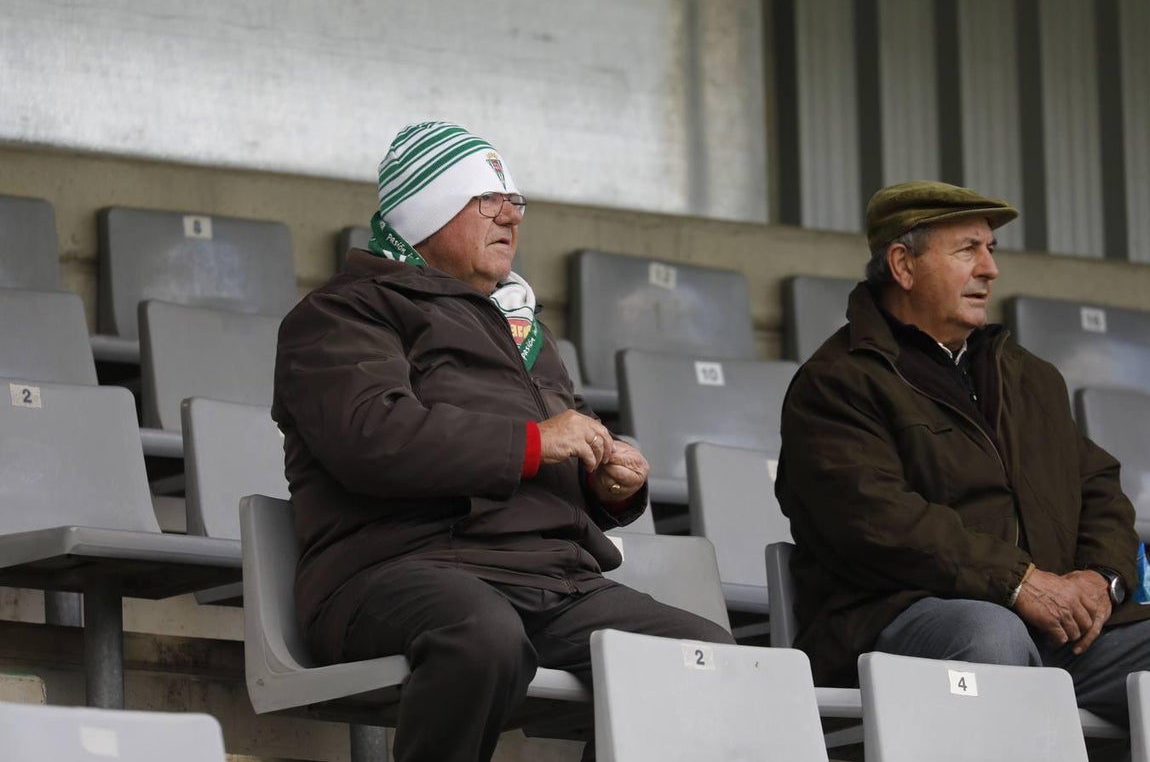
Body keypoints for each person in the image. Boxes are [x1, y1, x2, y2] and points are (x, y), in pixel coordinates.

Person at [271, 121, 732, 762]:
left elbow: (559, 450)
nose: (511, 218)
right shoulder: (344, 312)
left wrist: (608, 482)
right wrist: (536, 443)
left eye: (515, 202)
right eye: (487, 201)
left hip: (550, 579)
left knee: (704, 657)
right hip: (398, 568)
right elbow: (373, 438)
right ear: (425, 210)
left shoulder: (522, 328)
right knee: (482, 636)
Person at [775, 180, 1150, 725]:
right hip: (900, 619)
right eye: (967, 250)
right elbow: (878, 522)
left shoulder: (1029, 377)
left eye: (990, 249)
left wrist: (1099, 579)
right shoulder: (837, 382)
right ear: (903, 266)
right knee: (989, 634)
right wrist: (1018, 582)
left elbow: (1099, 489)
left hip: (1055, 631)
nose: (990, 269)